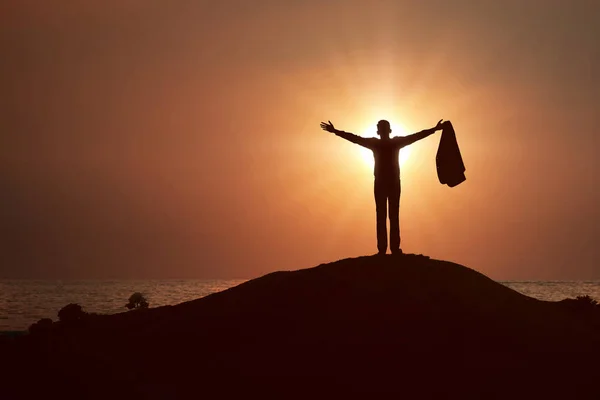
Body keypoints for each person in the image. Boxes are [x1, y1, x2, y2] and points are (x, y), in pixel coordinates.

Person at [320, 119, 445, 255]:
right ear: (383, 131)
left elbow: (415, 137)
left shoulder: (385, 143)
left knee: (388, 215)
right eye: (382, 128)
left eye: (383, 128)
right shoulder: (388, 143)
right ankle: (387, 249)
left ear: (381, 131)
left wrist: (434, 129)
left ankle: (388, 249)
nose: (383, 131)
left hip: (388, 182)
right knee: (387, 215)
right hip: (385, 182)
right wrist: (335, 131)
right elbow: (355, 139)